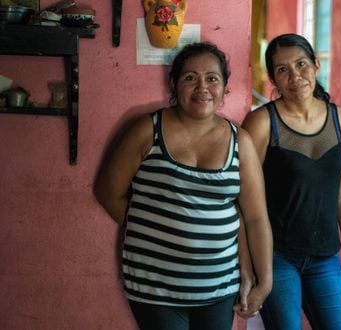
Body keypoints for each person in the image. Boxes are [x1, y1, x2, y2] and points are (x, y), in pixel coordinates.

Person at [94, 42, 273, 330]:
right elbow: (108, 192)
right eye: (190, 77)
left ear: (225, 87)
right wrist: (154, 229)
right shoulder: (147, 130)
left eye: (212, 78)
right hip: (154, 287)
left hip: (220, 287)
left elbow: (256, 217)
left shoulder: (241, 141)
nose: (202, 87)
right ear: (174, 85)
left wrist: (264, 281)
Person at [242, 33, 341, 329]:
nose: (295, 76)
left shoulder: (339, 119)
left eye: (301, 64)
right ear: (273, 80)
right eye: (282, 69)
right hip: (277, 258)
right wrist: (248, 270)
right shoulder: (262, 123)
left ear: (316, 65)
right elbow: (240, 201)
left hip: (326, 257)